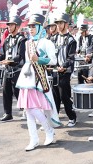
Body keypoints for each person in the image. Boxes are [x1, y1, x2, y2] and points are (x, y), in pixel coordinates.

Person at [16, 13, 61, 151]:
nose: (31, 29)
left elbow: (53, 61)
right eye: (29, 26)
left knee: (31, 108)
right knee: (28, 109)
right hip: (27, 78)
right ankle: (34, 139)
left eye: (33, 26)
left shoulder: (46, 42)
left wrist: (39, 59)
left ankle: (48, 130)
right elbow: (27, 61)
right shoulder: (28, 42)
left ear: (40, 27)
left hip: (40, 79)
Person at [0, 14, 26, 123]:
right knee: (6, 92)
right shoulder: (7, 39)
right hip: (7, 70)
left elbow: (21, 56)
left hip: (18, 70)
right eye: (8, 25)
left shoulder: (22, 39)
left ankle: (27, 110)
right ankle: (8, 114)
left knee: (18, 93)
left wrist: (11, 61)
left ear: (17, 26)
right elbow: (3, 54)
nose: (9, 27)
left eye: (11, 25)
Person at [52, 13, 78, 127]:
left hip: (65, 72)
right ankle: (54, 118)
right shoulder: (53, 38)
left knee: (64, 96)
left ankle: (72, 117)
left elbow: (71, 57)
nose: (58, 25)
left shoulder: (72, 40)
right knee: (54, 96)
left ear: (66, 24)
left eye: (60, 23)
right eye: (57, 23)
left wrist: (63, 66)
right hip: (54, 71)